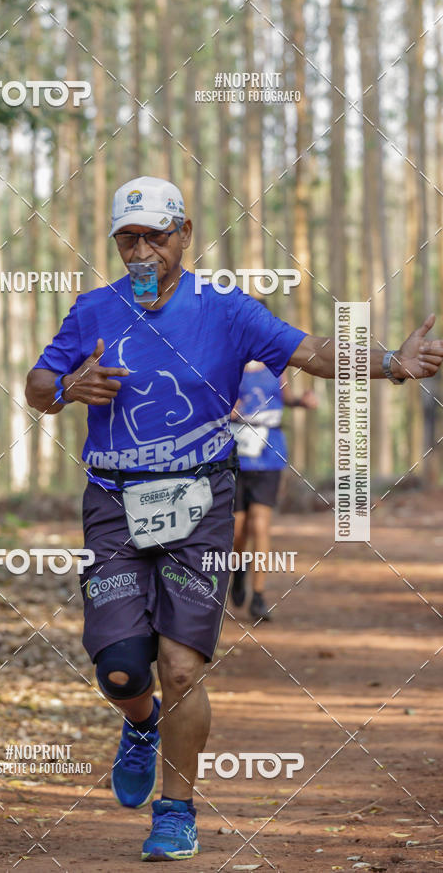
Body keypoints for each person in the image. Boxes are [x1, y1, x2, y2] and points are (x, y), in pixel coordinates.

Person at [24, 174, 443, 862]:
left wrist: (392, 363)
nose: (142, 249)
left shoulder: (226, 309)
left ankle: (177, 811)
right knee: (123, 672)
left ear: (184, 234)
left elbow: (312, 353)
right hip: (114, 503)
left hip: (202, 502)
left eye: (156, 234)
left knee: (182, 666)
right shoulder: (93, 311)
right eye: (128, 237)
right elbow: (38, 385)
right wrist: (67, 389)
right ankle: (140, 724)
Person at [230, 359, 318, 620]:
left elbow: (286, 397)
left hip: (269, 454)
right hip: (235, 455)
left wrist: (302, 401)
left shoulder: (277, 368)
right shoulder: (229, 363)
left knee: (260, 524)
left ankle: (258, 596)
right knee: (237, 529)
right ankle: (238, 570)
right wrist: (226, 408)